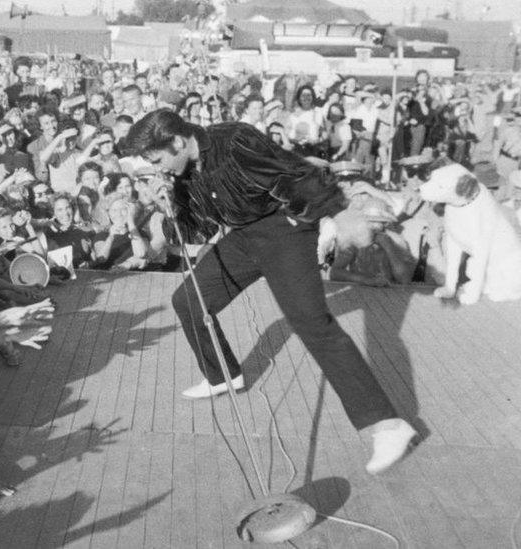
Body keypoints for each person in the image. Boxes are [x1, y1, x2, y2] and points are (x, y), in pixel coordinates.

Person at [125, 110, 416, 475]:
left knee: (312, 323)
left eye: (158, 159)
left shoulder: (235, 141)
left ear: (178, 142)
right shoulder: (182, 173)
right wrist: (168, 205)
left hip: (285, 232)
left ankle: (388, 425)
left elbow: (298, 173)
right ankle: (223, 375)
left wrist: (339, 214)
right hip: (243, 237)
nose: (160, 168)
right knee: (188, 300)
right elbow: (195, 231)